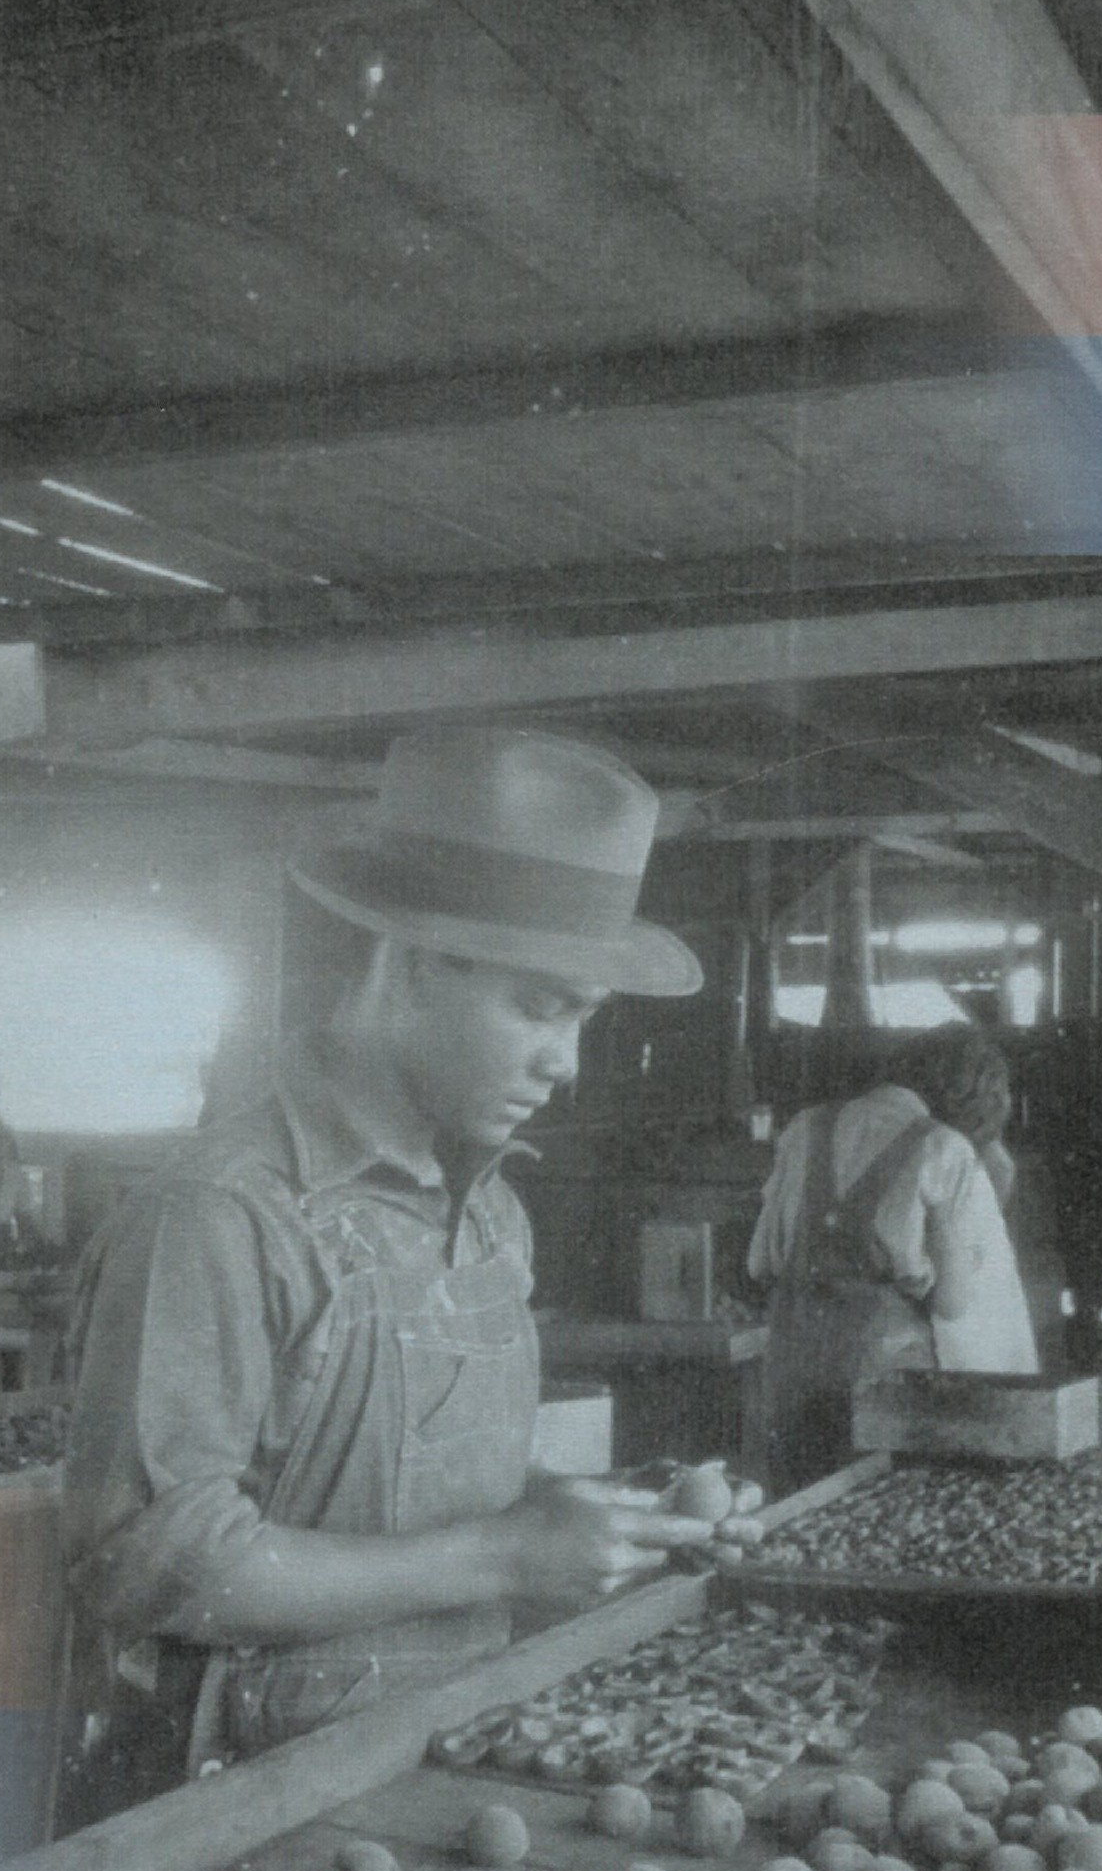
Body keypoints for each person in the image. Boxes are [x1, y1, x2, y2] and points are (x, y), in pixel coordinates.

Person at [60, 728, 758, 1812]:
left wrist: (611, 1518)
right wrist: (503, 1557)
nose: (565, 1064)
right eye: (538, 1007)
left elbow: (417, 1503)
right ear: (410, 961)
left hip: (441, 1761)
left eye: (583, 1019)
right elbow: (146, 1562)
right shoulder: (221, 1213)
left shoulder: (489, 1215)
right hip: (241, 1801)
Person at [747, 1020, 1038, 1492]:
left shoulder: (803, 1128)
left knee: (799, 1505)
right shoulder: (945, 1149)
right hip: (886, 1375)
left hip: (792, 1364)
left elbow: (759, 1263)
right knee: (874, 1509)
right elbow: (952, 1303)